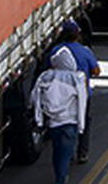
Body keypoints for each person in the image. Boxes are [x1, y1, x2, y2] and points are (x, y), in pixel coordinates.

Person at [32, 47, 87, 184]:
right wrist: (81, 126)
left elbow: (34, 98)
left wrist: (39, 119)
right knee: (65, 155)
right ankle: (61, 180)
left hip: (54, 123)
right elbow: (82, 103)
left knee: (57, 153)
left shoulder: (46, 77)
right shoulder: (77, 78)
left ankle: (60, 177)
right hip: (70, 123)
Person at [49, 19, 101, 163]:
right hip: (82, 94)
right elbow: (96, 71)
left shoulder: (57, 51)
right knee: (83, 122)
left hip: (64, 95)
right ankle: (82, 153)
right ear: (78, 34)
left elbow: (51, 68)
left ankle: (68, 153)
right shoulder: (84, 51)